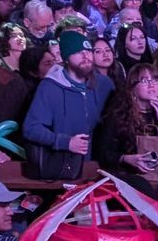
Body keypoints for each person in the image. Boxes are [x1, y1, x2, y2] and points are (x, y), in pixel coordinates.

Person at [22, 29, 114, 181]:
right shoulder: (50, 87)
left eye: (88, 51)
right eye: (78, 52)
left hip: (101, 168)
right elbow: (31, 128)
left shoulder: (104, 84)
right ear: (66, 58)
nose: (86, 56)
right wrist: (65, 142)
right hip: (64, 169)